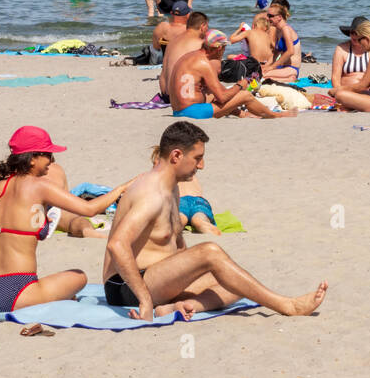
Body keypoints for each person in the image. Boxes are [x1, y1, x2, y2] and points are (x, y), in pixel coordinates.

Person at [101, 121, 327, 319]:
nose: (201, 166)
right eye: (197, 158)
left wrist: (188, 270)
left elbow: (178, 246)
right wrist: (145, 300)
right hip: (125, 286)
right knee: (210, 251)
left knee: (237, 282)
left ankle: (177, 307)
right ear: (176, 155)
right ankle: (287, 305)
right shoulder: (152, 194)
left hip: (159, 278)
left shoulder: (171, 188)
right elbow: (117, 244)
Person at [0, 126, 127, 312]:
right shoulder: (39, 186)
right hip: (14, 292)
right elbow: (89, 209)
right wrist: (121, 189)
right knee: (79, 277)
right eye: (48, 155)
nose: (51, 161)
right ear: (33, 158)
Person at [169, 30, 286, 119]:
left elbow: (221, 94)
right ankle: (274, 115)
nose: (224, 52)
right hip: (192, 112)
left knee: (212, 94)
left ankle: (244, 114)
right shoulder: (204, 64)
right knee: (245, 95)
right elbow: (222, 97)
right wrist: (241, 85)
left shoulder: (189, 57)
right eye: (224, 48)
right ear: (218, 48)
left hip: (178, 111)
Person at [160, 11, 209, 102]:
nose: (207, 32)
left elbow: (163, 73)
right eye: (207, 28)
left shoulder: (172, 42)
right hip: (182, 96)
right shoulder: (199, 44)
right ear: (202, 26)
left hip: (166, 94)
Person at [261, 2, 302, 81]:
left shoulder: (285, 29)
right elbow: (276, 53)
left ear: (279, 17)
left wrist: (272, 67)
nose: (267, 18)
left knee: (262, 76)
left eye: (270, 16)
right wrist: (266, 66)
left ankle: (290, 78)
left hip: (292, 68)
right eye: (267, 15)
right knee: (260, 72)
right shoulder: (278, 30)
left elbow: (290, 51)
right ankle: (287, 78)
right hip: (283, 67)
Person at [332, 14, 370, 87]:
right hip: (346, 92)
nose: (355, 36)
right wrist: (338, 93)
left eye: (358, 33)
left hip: (368, 92)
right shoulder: (341, 49)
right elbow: (335, 78)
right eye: (353, 33)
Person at [150, 0, 192, 67]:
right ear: (188, 15)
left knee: (153, 48)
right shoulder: (190, 30)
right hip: (183, 63)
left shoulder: (162, 26)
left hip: (166, 61)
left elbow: (156, 47)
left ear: (171, 13)